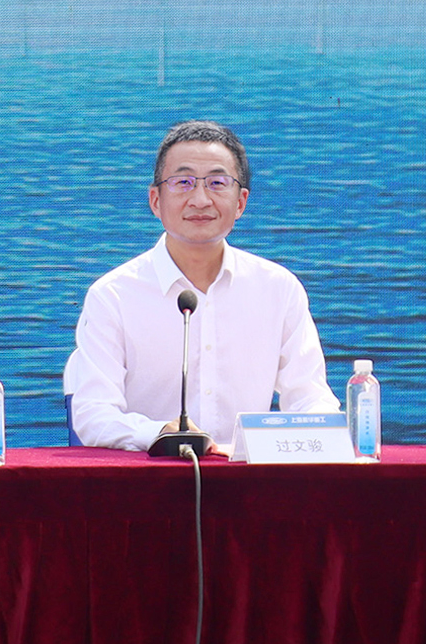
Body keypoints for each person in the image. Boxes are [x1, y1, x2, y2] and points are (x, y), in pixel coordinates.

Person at [64, 119, 332, 450]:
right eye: (183, 182)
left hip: (246, 475)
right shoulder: (113, 296)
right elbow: (94, 416)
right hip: (150, 474)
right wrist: (162, 433)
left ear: (241, 202)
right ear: (155, 200)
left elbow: (311, 400)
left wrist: (316, 434)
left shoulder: (278, 289)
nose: (201, 199)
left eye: (217, 183)